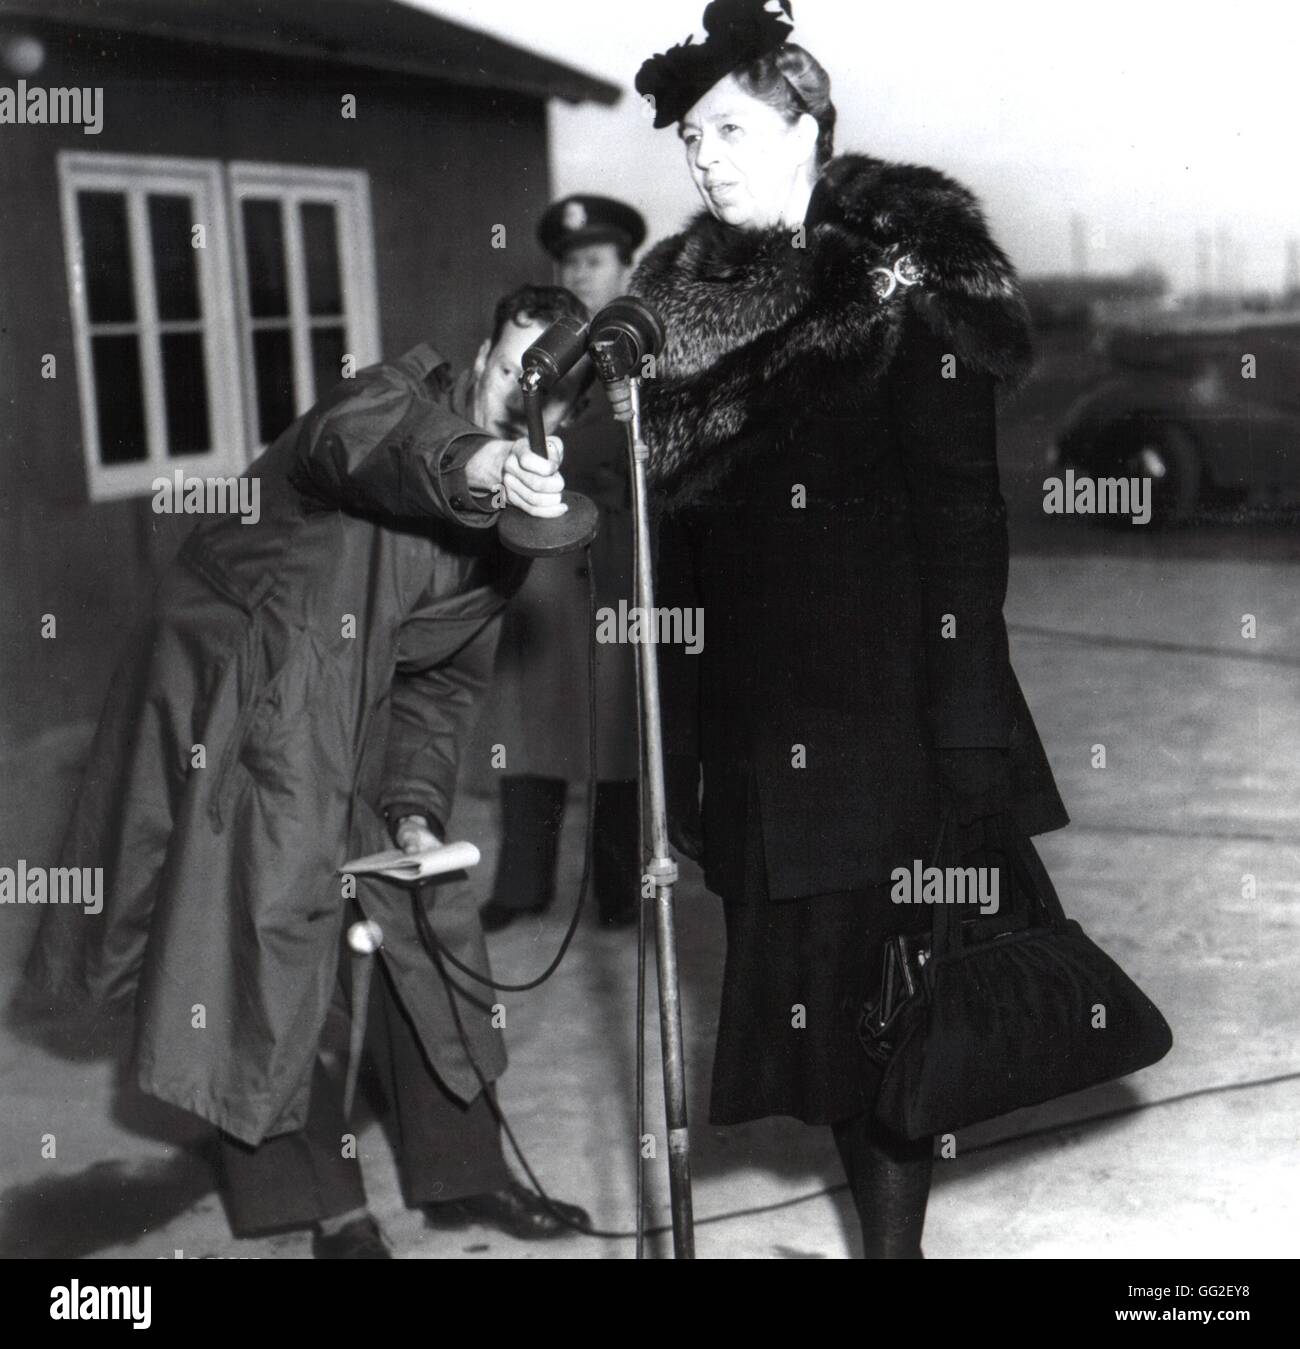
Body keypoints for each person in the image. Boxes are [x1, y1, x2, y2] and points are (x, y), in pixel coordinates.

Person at [20, 285, 594, 1258]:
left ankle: (465, 1175)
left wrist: (412, 806)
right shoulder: (392, 401)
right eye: (508, 370)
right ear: (480, 352)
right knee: (264, 931)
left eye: (547, 389)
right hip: (243, 686)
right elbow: (361, 443)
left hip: (349, 697)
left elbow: (441, 685)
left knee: (430, 906)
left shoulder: (521, 520)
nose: (518, 396)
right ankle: (323, 1208)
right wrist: (484, 462)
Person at [631, 0, 1070, 1258]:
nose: (702, 158)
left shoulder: (902, 282)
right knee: (827, 1016)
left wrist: (970, 736)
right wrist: (686, 753)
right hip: (763, 734)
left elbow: (962, 525)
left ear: (805, 126)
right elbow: (686, 564)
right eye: (687, 140)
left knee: (897, 1013)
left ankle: (893, 1255)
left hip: (891, 724)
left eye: (725, 128)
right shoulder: (686, 307)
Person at [475, 196, 649, 932]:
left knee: (618, 734)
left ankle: (617, 883)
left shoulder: (645, 349)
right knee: (526, 723)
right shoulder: (532, 349)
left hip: (610, 570)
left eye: (596, 260)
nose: (581, 271)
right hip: (538, 568)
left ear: (624, 268)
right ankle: (522, 882)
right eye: (570, 260)